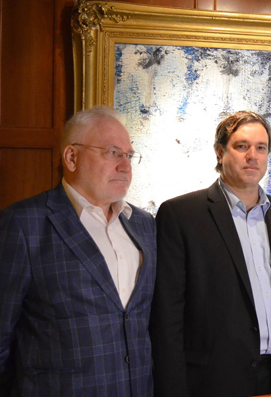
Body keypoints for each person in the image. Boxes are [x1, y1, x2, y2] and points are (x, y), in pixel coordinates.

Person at [0, 106, 155, 397]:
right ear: (71, 157)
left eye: (129, 155)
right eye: (113, 153)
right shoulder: (23, 224)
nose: (126, 167)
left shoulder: (144, 225)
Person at [150, 111, 271, 397]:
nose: (253, 156)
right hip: (212, 379)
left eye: (261, 148)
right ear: (220, 152)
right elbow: (167, 315)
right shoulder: (181, 215)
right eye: (242, 146)